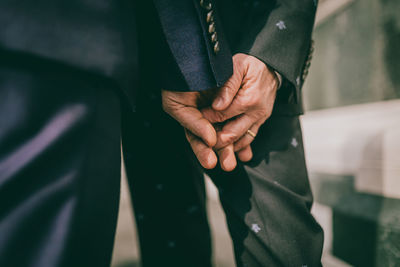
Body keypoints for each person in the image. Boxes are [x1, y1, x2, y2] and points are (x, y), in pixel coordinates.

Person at [0, 0, 323, 267]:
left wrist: (273, 54)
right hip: (136, 64)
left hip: (245, 51)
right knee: (172, 250)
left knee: (286, 252)